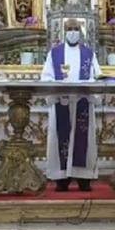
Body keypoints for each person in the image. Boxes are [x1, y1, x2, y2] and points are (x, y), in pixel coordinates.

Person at [41, 19, 102, 192]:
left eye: (76, 29)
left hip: (82, 102)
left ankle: (84, 177)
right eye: (70, 29)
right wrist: (57, 86)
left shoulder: (89, 54)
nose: (73, 32)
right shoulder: (55, 53)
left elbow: (97, 76)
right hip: (62, 102)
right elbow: (46, 76)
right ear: (64, 31)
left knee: (84, 139)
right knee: (60, 138)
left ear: (80, 31)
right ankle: (62, 178)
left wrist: (88, 87)